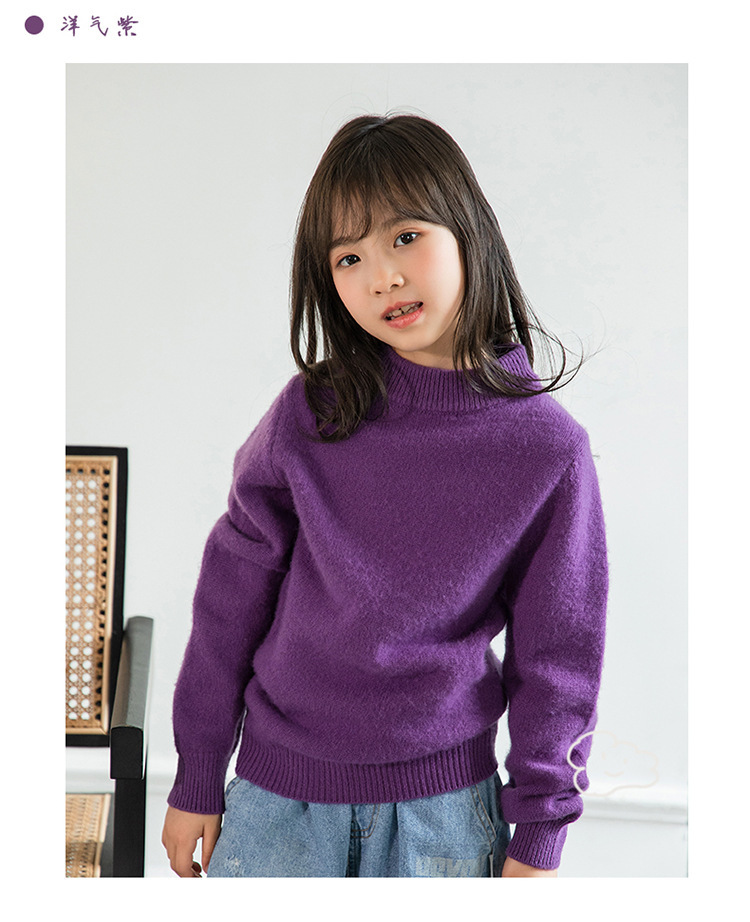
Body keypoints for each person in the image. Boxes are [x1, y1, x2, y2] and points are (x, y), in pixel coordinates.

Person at [161, 113, 609, 879]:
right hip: (276, 801)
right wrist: (198, 770)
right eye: (349, 257)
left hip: (444, 814)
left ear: (468, 230)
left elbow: (560, 660)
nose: (382, 277)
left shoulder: (547, 449)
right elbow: (229, 599)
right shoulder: (310, 416)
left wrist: (540, 835)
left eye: (405, 237)